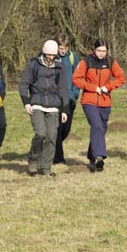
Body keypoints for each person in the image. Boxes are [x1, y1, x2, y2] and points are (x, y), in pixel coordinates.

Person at [72, 39, 126, 172]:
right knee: (96, 126)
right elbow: (76, 79)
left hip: (105, 100)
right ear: (93, 50)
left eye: (104, 51)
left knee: (102, 129)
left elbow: (121, 77)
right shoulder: (86, 62)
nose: (102, 53)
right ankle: (99, 157)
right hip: (89, 100)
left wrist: (108, 87)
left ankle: (91, 154)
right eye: (99, 50)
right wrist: (92, 88)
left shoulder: (110, 62)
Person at [19, 40, 70, 176]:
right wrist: (26, 102)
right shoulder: (32, 64)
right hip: (36, 103)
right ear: (43, 52)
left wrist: (65, 110)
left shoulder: (60, 67)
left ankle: (46, 167)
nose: (51, 58)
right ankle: (33, 160)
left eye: (53, 55)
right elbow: (24, 84)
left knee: (52, 136)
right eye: (49, 55)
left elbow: (64, 89)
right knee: (40, 133)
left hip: (53, 106)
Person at [54, 33, 80, 164]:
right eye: (60, 48)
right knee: (58, 128)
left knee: (66, 129)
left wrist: (75, 94)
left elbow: (78, 76)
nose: (63, 51)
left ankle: (51, 147)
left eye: (65, 48)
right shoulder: (52, 57)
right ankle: (58, 157)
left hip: (70, 98)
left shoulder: (73, 57)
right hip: (56, 99)